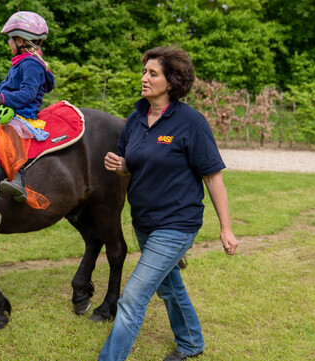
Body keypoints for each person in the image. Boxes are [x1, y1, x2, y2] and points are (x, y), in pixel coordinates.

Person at [100, 46, 238, 361]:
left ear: (171, 82)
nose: (144, 78)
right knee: (168, 285)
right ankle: (191, 342)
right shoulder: (136, 119)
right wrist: (119, 164)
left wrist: (226, 228)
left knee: (132, 297)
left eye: (153, 73)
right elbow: (132, 164)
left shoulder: (191, 122)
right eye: (144, 71)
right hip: (144, 221)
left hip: (177, 224)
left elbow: (213, 177)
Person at [0, 11, 55, 202]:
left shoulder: (31, 65)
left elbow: (27, 93)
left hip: (22, 114)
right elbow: (5, 85)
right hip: (12, 109)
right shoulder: (19, 63)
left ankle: (18, 179)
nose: (8, 43)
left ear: (20, 41)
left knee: (10, 131)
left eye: (10, 39)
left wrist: (2, 100)